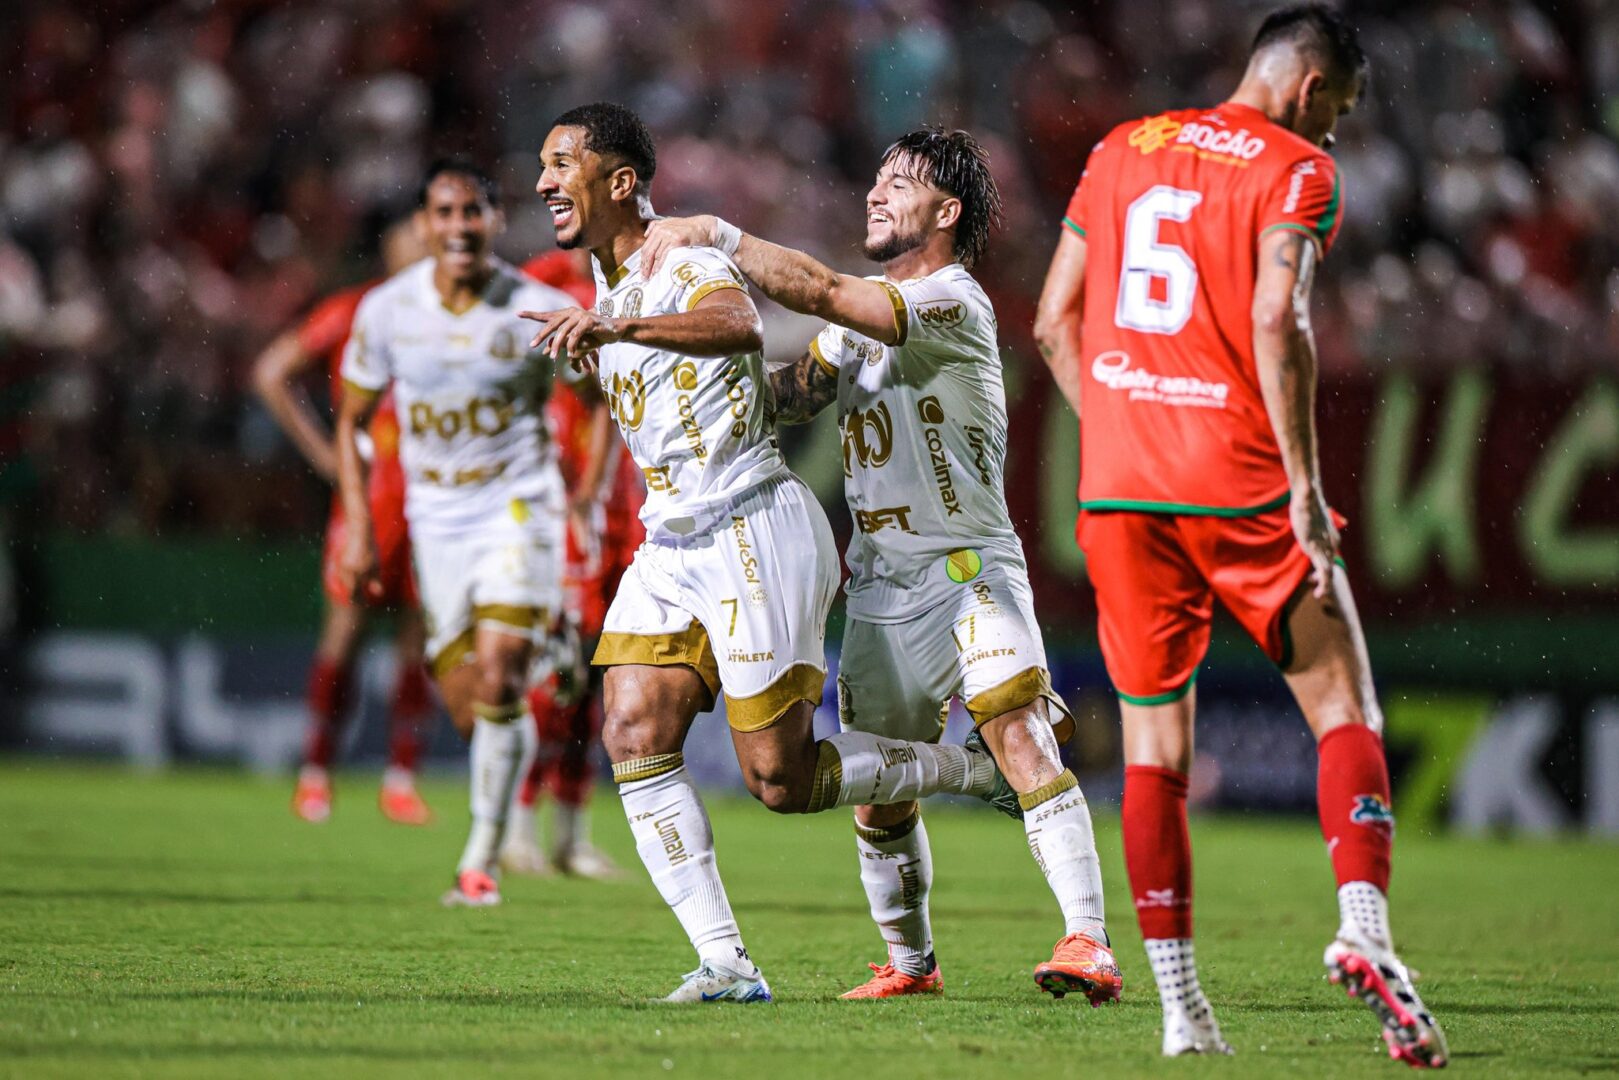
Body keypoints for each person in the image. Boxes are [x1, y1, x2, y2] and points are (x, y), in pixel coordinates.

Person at [525, 102, 1018, 1004]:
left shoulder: (683, 262)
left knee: (782, 782)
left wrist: (621, 332)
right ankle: (725, 963)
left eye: (563, 165)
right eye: (544, 166)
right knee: (631, 731)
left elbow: (738, 328)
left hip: (752, 524)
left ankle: (974, 769)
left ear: (620, 182)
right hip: (670, 538)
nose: (545, 183)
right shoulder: (608, 291)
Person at [1033, 4, 1447, 1066]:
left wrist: (1126, 426)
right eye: (1341, 112)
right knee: (1341, 700)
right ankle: (1363, 928)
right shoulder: (1295, 170)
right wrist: (1303, 490)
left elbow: (1049, 322)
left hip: (1120, 491)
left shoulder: (1120, 148)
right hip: (1240, 481)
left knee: (1149, 753)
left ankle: (1182, 1012)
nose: (1337, 133)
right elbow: (1276, 318)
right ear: (1311, 89)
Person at [639, 129, 1120, 1005]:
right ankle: (912, 965)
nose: (875, 192)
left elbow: (822, 290)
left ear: (946, 212)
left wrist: (719, 236)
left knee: (1016, 730)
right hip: (879, 587)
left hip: (970, 572)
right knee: (881, 797)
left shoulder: (949, 301)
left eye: (901, 183)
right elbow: (781, 398)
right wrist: (663, 359)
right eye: (876, 175)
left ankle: (1087, 939)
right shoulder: (854, 325)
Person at [336, 158, 601, 908]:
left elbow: (598, 397)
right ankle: (548, 652)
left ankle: (479, 859)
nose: (459, 227)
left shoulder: (534, 307)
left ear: (494, 220)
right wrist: (359, 528)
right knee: (471, 702)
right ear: (425, 225)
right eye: (444, 213)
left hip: (519, 507)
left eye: (473, 212)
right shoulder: (387, 311)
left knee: (500, 671)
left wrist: (581, 495)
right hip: (436, 522)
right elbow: (353, 421)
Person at [253, 219, 434, 826]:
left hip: (437, 500)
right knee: (346, 634)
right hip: (370, 498)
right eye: (417, 229)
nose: (428, 240)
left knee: (419, 640)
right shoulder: (357, 309)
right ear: (391, 246)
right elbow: (272, 371)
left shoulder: (458, 316)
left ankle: (401, 780)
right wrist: (324, 457)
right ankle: (315, 775)